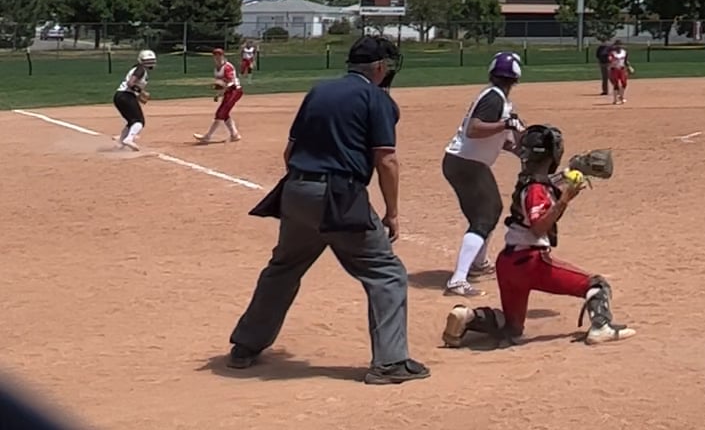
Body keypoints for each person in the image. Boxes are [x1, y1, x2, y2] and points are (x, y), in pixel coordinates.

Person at [226, 36, 429, 385]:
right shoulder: (375, 98)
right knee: (386, 272)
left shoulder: (319, 91)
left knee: (283, 268)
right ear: (379, 67)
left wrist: (308, 189)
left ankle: (245, 346)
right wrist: (392, 212)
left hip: (295, 190)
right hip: (338, 196)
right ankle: (390, 363)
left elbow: (289, 153)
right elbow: (386, 160)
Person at [441, 123, 637, 348]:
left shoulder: (527, 180)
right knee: (597, 285)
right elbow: (538, 227)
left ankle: (469, 317)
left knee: (513, 328)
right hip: (532, 263)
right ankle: (601, 328)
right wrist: (564, 200)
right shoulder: (536, 189)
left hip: (508, 264)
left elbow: (546, 183)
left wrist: (574, 171)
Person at [441, 52, 525, 298]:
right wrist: (507, 125)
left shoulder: (498, 99)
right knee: (485, 216)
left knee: (489, 211)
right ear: (517, 77)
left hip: (462, 162)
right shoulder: (494, 98)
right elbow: (474, 129)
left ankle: (478, 263)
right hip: (467, 163)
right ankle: (458, 279)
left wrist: (517, 149)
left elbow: (499, 138)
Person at [194, 47, 243, 144]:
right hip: (228, 92)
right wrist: (218, 93)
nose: (217, 57)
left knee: (220, 113)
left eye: (219, 55)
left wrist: (222, 88)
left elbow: (230, 82)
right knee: (224, 114)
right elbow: (221, 84)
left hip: (235, 91)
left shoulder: (227, 67)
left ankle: (208, 136)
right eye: (215, 56)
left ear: (223, 56)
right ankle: (234, 135)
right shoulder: (216, 69)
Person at [113, 49, 157, 150]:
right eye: (147, 61)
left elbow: (131, 87)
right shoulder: (140, 70)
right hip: (125, 96)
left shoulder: (139, 69)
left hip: (120, 96)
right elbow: (130, 84)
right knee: (139, 121)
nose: (150, 63)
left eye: (151, 61)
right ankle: (129, 139)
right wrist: (142, 92)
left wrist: (139, 97)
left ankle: (121, 143)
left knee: (131, 121)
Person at [606, 41, 631, 106]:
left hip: (622, 69)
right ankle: (615, 100)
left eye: (619, 45)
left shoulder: (624, 52)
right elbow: (610, 60)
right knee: (616, 84)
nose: (618, 47)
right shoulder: (612, 53)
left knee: (624, 83)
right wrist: (610, 62)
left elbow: (626, 61)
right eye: (617, 45)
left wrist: (629, 67)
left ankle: (621, 96)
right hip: (614, 69)